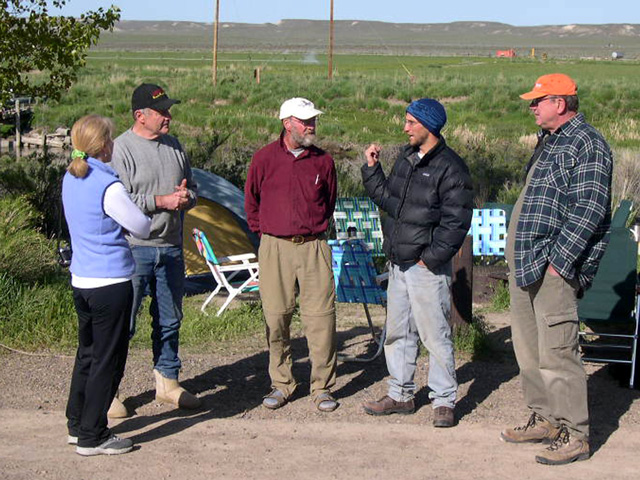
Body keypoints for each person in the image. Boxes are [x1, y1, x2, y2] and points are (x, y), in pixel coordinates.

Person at [501, 73, 613, 465]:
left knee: (559, 351)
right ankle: (546, 419)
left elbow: (590, 209)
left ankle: (575, 433)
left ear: (560, 103)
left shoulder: (588, 144)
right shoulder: (550, 141)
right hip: (526, 261)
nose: (532, 106)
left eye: (538, 100)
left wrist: (559, 264)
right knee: (528, 349)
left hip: (553, 268)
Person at [361, 98, 473, 428]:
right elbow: (389, 200)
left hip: (426, 267)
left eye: (411, 122)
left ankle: (443, 401)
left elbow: (457, 221)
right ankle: (400, 395)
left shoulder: (452, 168)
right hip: (399, 263)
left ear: (429, 125)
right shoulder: (406, 159)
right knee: (397, 332)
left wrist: (431, 258)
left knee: (435, 334)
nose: (405, 127)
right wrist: (371, 171)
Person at [63, 114, 151, 456]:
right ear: (104, 147)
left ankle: (77, 423)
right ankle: (93, 434)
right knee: (107, 358)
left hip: (81, 279)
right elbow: (140, 226)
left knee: (86, 354)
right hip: (110, 282)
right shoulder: (108, 185)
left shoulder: (70, 178)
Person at [244, 97, 339, 412]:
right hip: (274, 246)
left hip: (314, 246)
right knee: (276, 317)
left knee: (321, 319)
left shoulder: (323, 161)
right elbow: (251, 203)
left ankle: (322, 387)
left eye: (313, 120)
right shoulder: (263, 159)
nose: (311, 125)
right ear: (287, 123)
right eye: (304, 120)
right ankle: (282, 384)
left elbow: (329, 201)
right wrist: (267, 234)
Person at [110, 83, 200, 410]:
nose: (168, 117)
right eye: (162, 112)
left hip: (171, 246)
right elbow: (118, 199)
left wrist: (188, 198)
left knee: (170, 318)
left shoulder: (175, 146)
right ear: (140, 115)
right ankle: (109, 390)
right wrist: (161, 201)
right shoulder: (120, 149)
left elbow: (194, 189)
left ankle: (168, 382)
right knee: (124, 321)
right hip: (133, 248)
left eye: (168, 111)